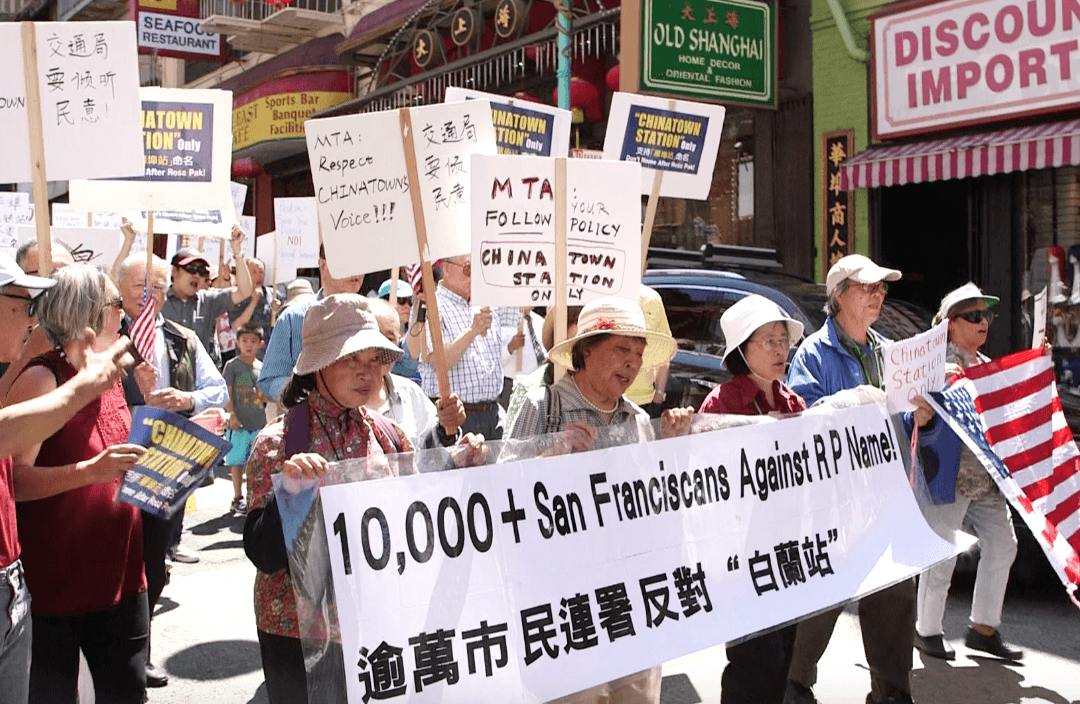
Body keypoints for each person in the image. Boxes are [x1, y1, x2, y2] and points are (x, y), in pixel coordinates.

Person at [243, 294, 484, 704]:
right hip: (297, 637)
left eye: (375, 360)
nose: (366, 373)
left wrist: (454, 464)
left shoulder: (386, 434)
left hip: (375, 626)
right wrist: (293, 494)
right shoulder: (281, 442)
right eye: (351, 358)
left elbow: (416, 508)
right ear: (317, 363)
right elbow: (264, 554)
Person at [507, 296, 693, 704]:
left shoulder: (638, 419)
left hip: (632, 600)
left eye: (639, 354)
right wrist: (550, 452)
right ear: (585, 351)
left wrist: (672, 454)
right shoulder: (544, 406)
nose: (631, 363)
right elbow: (501, 491)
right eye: (621, 349)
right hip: (563, 601)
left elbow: (651, 505)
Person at [784, 254, 932, 704]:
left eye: (882, 288)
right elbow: (804, 418)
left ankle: (890, 689)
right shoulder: (814, 352)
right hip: (832, 498)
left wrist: (921, 412)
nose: (878, 295)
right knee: (822, 590)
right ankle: (793, 683)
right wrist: (858, 400)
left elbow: (907, 416)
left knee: (895, 591)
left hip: (884, 494)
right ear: (839, 294)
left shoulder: (888, 350)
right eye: (868, 287)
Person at [8, 265, 149, 703]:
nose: (124, 315)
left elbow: (118, 454)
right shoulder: (41, 379)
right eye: (115, 305)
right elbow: (15, 483)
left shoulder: (109, 375)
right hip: (60, 585)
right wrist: (90, 472)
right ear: (87, 312)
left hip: (124, 575)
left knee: (128, 692)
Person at [698, 295, 806, 704]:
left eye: (784, 341)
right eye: (770, 341)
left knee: (783, 656)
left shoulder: (793, 403)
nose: (781, 350)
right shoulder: (722, 404)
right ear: (743, 351)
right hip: (741, 555)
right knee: (753, 660)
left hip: (790, 549)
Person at [913, 283, 1022, 662]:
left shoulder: (984, 365)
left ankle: (983, 628)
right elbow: (911, 410)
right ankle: (926, 630)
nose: (983, 322)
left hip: (986, 482)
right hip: (949, 477)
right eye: (973, 316)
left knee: (1004, 544)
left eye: (986, 315)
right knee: (941, 555)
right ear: (950, 323)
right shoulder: (931, 364)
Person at [258, 245, 365, 402]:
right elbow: (270, 381)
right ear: (323, 265)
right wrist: (306, 397)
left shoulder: (373, 319)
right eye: (346, 259)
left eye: (361, 262)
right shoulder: (293, 319)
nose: (354, 269)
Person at [420, 255, 508, 439]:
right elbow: (438, 361)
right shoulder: (432, 306)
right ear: (447, 268)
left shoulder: (486, 304)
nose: (475, 275)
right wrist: (473, 330)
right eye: (468, 268)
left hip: (493, 415)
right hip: (454, 419)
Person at [365, 298, 465, 448]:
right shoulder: (340, 400)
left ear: (399, 342)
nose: (382, 346)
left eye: (390, 338)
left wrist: (447, 428)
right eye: (375, 336)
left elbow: (436, 449)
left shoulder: (411, 394)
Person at [154, 226, 253, 367]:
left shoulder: (208, 301)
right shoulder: (158, 300)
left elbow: (244, 291)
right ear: (174, 271)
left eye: (201, 271)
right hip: (166, 376)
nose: (196, 275)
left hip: (201, 380)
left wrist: (237, 250)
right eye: (191, 268)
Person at [223, 324, 266, 515]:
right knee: (237, 461)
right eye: (245, 341)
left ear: (260, 344)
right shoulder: (232, 366)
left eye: (253, 342)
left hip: (258, 422)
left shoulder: (262, 367)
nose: (249, 345)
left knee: (254, 463)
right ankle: (237, 496)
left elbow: (263, 395)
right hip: (239, 424)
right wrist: (231, 415)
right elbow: (227, 393)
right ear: (237, 342)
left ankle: (253, 496)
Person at [623, 284, 673, 417]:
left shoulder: (652, 299)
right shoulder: (600, 295)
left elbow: (664, 351)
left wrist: (659, 394)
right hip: (604, 401)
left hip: (644, 402)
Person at [498, 306, 546, 408]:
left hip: (536, 384)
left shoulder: (540, 322)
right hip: (512, 385)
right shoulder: (505, 322)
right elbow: (493, 360)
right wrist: (510, 348)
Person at [377, 277, 422, 383]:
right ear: (384, 302)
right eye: (401, 301)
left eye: (409, 302)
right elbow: (407, 365)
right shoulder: (376, 337)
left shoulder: (417, 334)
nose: (407, 306)